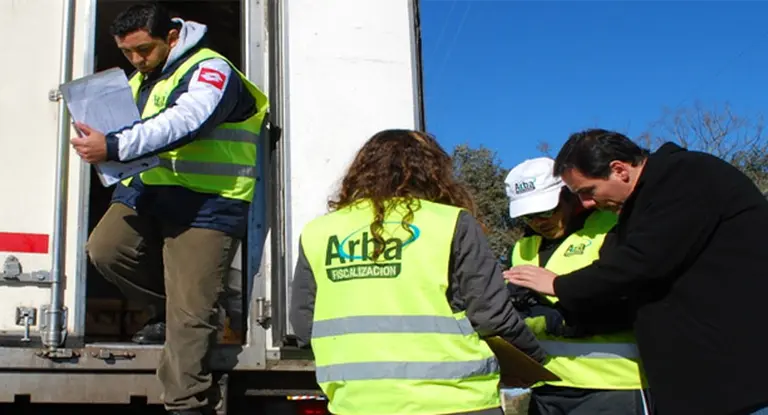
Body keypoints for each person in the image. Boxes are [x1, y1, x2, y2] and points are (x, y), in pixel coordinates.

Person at [73, 3, 268, 414]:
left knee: (189, 318)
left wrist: (113, 146)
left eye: (143, 50)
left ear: (173, 37)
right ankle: (168, 307)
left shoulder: (211, 70)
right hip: (150, 192)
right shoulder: (141, 77)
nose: (136, 60)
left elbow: (187, 121)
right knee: (106, 249)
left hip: (207, 203)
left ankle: (185, 404)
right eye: (127, 53)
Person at [507, 129, 768, 415]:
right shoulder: (646, 198)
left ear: (619, 170)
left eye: (588, 191)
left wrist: (559, 286)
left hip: (738, 377)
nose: (587, 204)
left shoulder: (685, 176)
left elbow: (641, 263)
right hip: (698, 381)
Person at [289, 129, 546, 415]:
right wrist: (536, 360)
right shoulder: (451, 222)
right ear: (433, 171)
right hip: (457, 401)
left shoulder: (318, 233)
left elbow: (304, 326)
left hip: (357, 404)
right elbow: (491, 315)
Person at [503, 157, 648, 415]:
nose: (538, 221)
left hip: (614, 387)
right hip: (547, 386)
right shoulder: (521, 250)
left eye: (546, 210)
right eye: (527, 216)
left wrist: (556, 320)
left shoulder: (611, 230)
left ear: (569, 195)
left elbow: (635, 303)